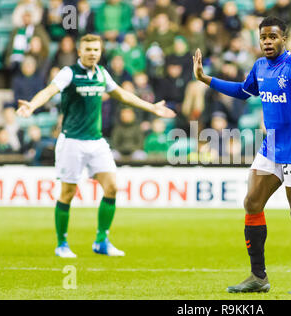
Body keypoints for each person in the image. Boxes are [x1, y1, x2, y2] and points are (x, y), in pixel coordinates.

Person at [193, 16, 291, 294]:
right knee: (252, 203)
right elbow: (243, 91)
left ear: (284, 39)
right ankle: (258, 277)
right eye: (263, 36)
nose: (267, 41)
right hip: (271, 146)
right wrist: (206, 79)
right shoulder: (260, 66)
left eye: (273, 37)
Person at [16, 34, 175, 258]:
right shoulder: (69, 72)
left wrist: (152, 108)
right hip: (72, 141)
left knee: (112, 187)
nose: (92, 53)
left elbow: (121, 94)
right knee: (68, 193)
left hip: (96, 140)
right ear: (80, 51)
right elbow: (50, 90)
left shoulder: (102, 73)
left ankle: (101, 240)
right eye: (88, 49)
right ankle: (61, 243)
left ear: (100, 52)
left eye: (96, 50)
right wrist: (32, 105)